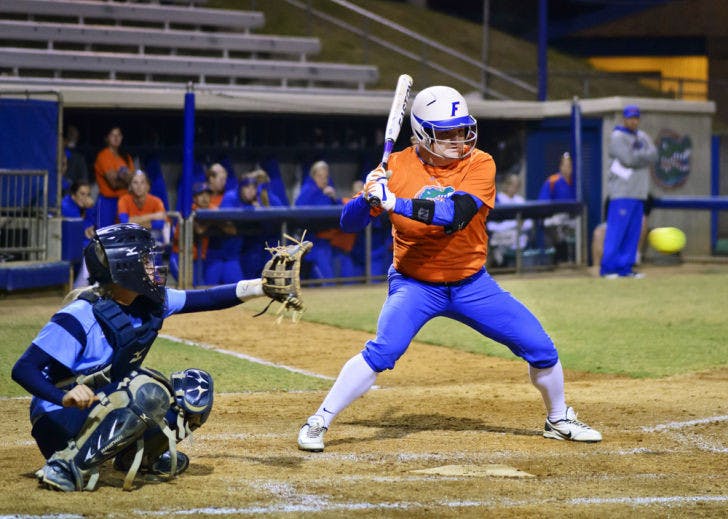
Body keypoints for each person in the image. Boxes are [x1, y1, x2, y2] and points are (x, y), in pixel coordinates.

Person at [296, 85, 601, 453]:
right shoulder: (396, 167)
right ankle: (319, 421)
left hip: (471, 283)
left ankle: (558, 417)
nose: (459, 139)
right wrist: (367, 197)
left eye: (462, 129)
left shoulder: (480, 163)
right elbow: (347, 224)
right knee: (382, 352)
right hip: (415, 283)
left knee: (540, 347)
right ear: (423, 134)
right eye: (447, 133)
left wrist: (396, 202)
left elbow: (454, 216)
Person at [11, 223, 282, 492]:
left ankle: (139, 459)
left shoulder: (150, 302)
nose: (152, 266)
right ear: (124, 267)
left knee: (195, 388)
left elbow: (208, 298)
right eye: (144, 260)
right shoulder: (80, 314)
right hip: (59, 420)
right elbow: (24, 368)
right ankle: (66, 467)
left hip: (104, 408)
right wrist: (64, 397)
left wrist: (262, 287)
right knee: (144, 389)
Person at [600, 105, 657, 278]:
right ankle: (608, 269)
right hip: (622, 193)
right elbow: (628, 159)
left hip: (639, 193)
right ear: (624, 119)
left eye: (636, 118)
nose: (633, 121)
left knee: (633, 233)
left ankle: (625, 268)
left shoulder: (642, 136)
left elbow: (654, 155)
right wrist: (643, 156)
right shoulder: (618, 136)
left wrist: (640, 156)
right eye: (630, 117)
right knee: (616, 232)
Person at [294, 160, 342, 281]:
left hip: (324, 241)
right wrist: (325, 197)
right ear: (313, 176)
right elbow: (300, 214)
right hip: (310, 241)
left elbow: (339, 209)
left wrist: (333, 198)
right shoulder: (308, 189)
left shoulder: (327, 191)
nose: (323, 180)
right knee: (326, 278)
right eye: (320, 176)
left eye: (325, 176)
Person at [486, 173, 534, 267]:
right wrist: (515, 224)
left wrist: (520, 225)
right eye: (511, 184)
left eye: (516, 186)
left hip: (518, 234)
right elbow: (491, 226)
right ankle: (498, 263)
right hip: (500, 235)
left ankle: (514, 267)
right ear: (505, 185)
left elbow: (529, 223)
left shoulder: (520, 200)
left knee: (520, 237)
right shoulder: (497, 199)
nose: (513, 188)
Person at [538, 152, 577, 263]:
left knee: (574, 229)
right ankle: (558, 261)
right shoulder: (552, 180)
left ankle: (571, 261)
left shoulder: (575, 182)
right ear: (560, 166)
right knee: (557, 231)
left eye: (570, 166)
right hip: (553, 217)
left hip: (569, 219)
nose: (568, 168)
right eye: (565, 165)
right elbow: (543, 203)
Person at [94, 126, 134, 228]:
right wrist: (126, 179)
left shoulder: (126, 156)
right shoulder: (104, 155)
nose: (116, 138)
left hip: (124, 200)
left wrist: (121, 176)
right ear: (107, 138)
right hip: (107, 201)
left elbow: (133, 180)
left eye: (119, 135)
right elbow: (113, 183)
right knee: (105, 234)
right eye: (113, 135)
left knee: (122, 233)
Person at [60, 179, 97, 288]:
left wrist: (89, 209)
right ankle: (79, 288)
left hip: (77, 242)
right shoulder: (66, 205)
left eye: (88, 194)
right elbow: (79, 229)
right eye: (82, 194)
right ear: (73, 194)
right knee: (90, 249)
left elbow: (90, 226)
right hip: (63, 244)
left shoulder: (82, 206)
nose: (85, 198)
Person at [117, 170, 168, 247]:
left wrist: (134, 221)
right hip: (129, 240)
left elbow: (160, 224)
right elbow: (125, 222)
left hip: (150, 239)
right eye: (135, 182)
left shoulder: (157, 201)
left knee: (155, 234)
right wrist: (152, 216)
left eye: (142, 182)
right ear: (130, 187)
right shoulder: (123, 200)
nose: (139, 186)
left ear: (148, 186)